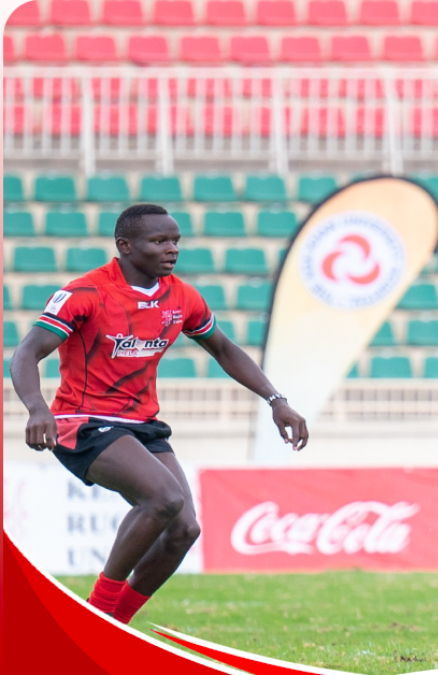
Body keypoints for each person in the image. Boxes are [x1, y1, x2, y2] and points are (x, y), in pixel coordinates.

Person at [9, 204, 309, 625]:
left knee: (184, 529)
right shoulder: (86, 293)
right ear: (125, 246)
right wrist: (37, 408)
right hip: (83, 422)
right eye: (159, 241)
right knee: (163, 497)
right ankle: (93, 620)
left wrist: (276, 400)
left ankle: (116, 626)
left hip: (143, 425)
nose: (172, 250)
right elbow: (26, 352)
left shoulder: (181, 296)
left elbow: (223, 349)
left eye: (175, 241)